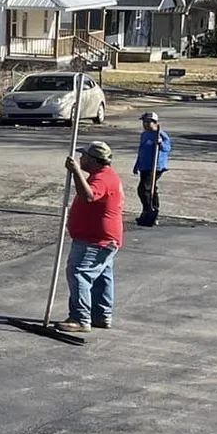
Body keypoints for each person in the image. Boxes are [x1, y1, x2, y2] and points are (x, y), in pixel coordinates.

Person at [57, 139, 123, 336]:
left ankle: (80, 318)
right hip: (104, 238)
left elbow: (89, 196)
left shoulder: (103, 178)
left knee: (79, 272)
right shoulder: (103, 175)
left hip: (96, 240)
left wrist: (75, 171)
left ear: (93, 160)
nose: (80, 157)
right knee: (102, 276)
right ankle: (101, 315)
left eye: (83, 155)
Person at [133, 111, 171, 227]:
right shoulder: (144, 135)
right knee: (149, 189)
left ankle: (151, 210)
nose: (145, 124)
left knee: (144, 189)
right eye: (144, 122)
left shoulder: (160, 134)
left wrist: (160, 143)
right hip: (144, 166)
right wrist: (137, 164)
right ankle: (149, 211)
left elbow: (167, 148)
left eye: (148, 122)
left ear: (155, 123)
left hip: (155, 166)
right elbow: (141, 150)